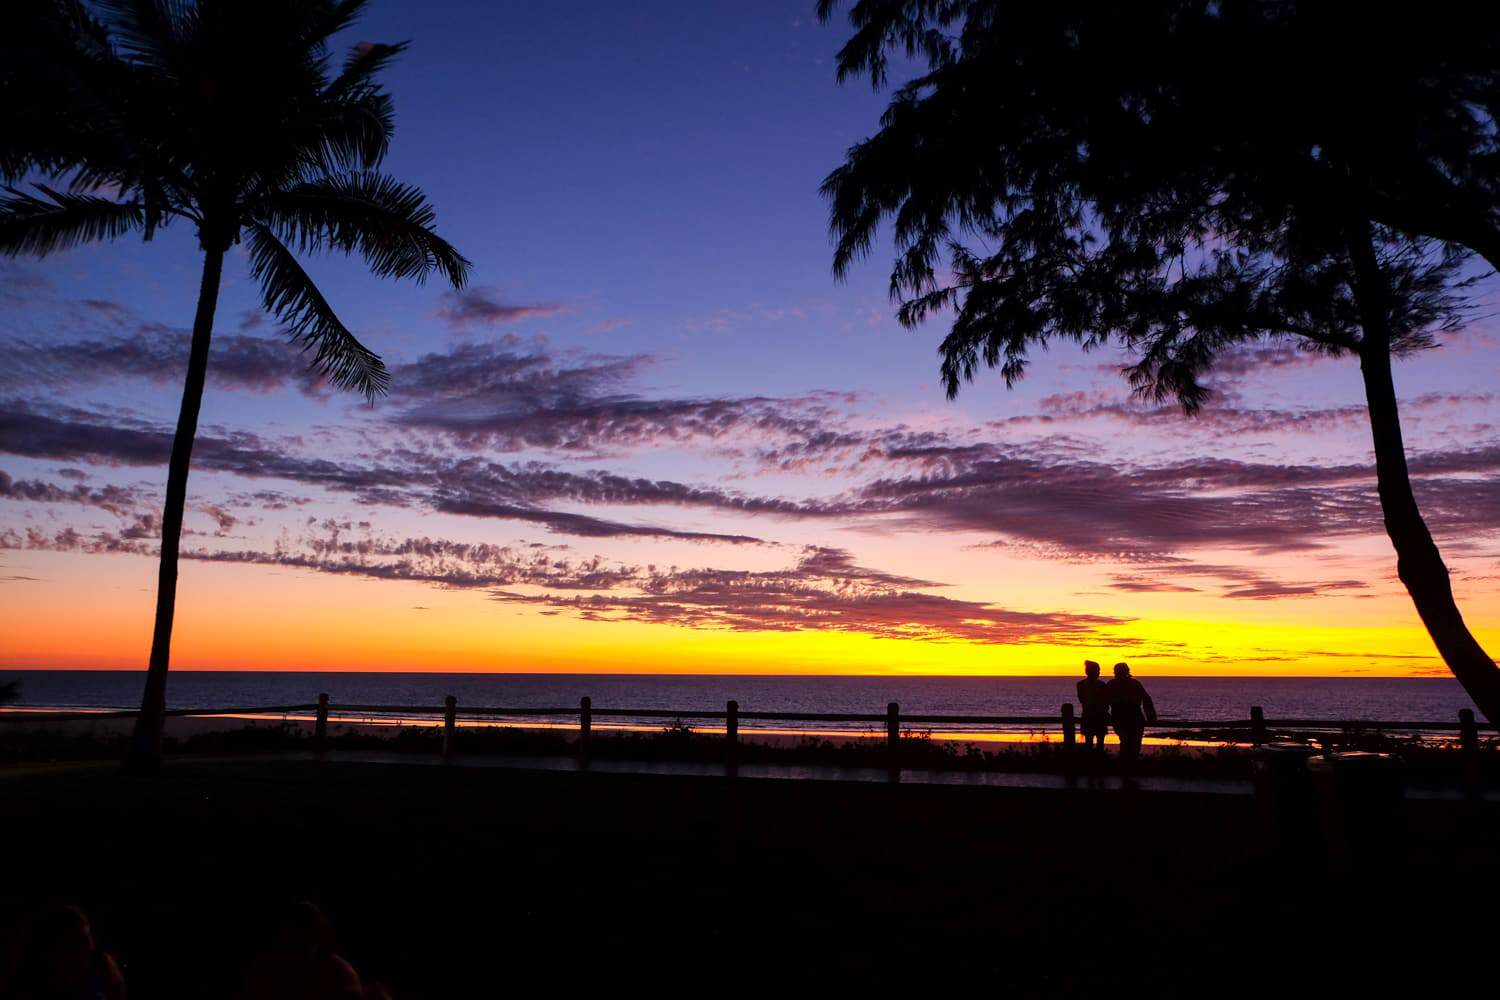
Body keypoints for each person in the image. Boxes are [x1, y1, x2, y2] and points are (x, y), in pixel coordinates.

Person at [4, 903, 127, 1000]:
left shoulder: (100, 964)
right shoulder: (35, 982)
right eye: (74, 941)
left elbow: (118, 994)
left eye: (87, 937)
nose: (86, 946)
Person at [1106, 662, 1156, 765]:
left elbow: (1104, 701)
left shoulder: (1112, 684)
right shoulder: (1134, 683)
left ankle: (1126, 767)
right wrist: (1151, 717)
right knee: (1134, 743)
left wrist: (1106, 714)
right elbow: (1147, 700)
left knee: (1126, 742)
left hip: (1121, 718)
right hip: (1133, 718)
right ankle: (1130, 766)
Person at [1076, 660, 1109, 752]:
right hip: (1096, 716)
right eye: (1097, 670)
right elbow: (1105, 702)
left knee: (1090, 742)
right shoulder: (1101, 685)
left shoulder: (1081, 684)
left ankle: (1091, 761)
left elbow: (1081, 700)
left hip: (1089, 716)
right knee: (1097, 743)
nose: (1099, 672)